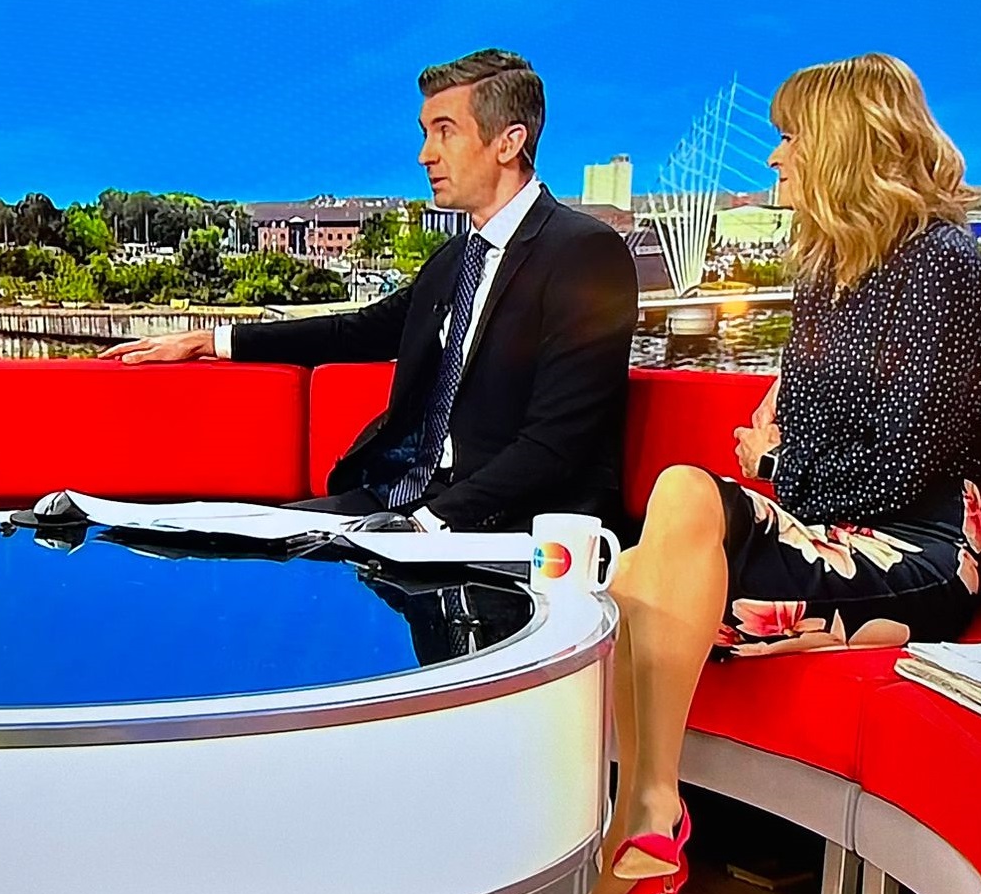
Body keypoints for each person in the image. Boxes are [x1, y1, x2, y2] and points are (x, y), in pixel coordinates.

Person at [559, 54, 981, 894]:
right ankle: (643, 818)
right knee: (646, 553)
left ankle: (644, 823)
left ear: (845, 144)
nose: (774, 157)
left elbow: (897, 471)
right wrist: (783, 456)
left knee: (676, 511)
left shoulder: (941, 268)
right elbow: (804, 430)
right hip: (826, 526)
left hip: (916, 550)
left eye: (791, 136)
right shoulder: (828, 274)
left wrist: (775, 463)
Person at [101, 49, 638, 532]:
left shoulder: (584, 253)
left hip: (514, 524)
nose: (425, 155)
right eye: (425, 133)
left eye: (445, 132)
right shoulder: (456, 259)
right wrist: (210, 341)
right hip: (403, 496)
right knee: (237, 537)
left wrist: (426, 525)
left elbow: (556, 444)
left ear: (508, 142)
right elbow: (357, 332)